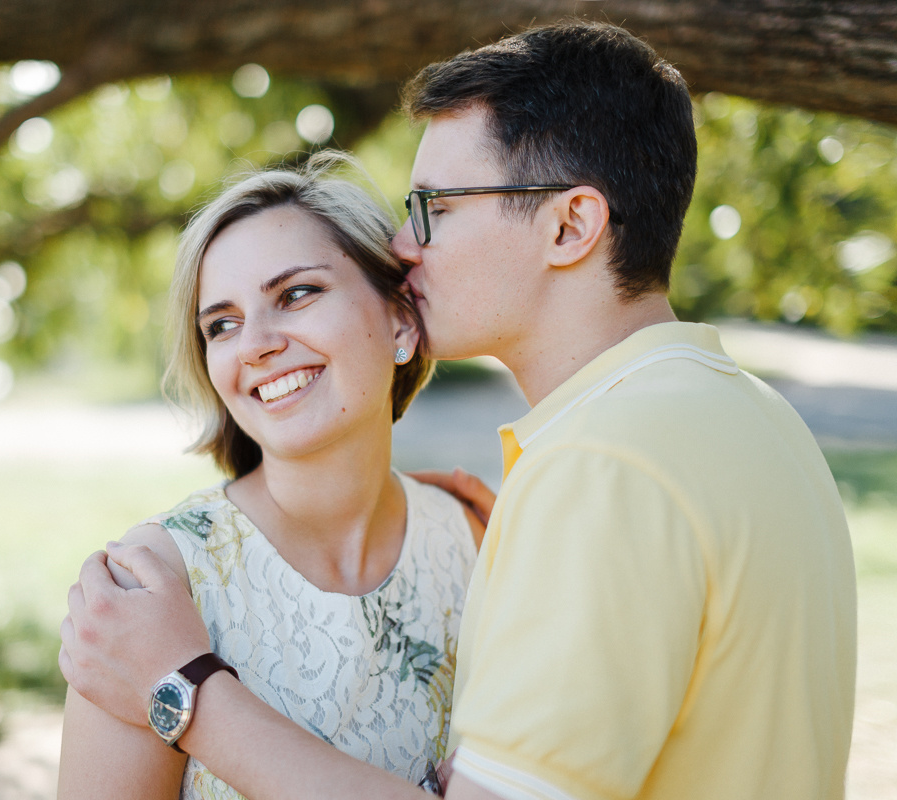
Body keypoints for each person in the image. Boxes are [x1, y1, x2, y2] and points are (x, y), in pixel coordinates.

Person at [60, 19, 857, 800]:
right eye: (220, 324)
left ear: (570, 224)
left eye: (435, 207)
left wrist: (187, 690)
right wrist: (536, 554)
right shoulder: (754, 417)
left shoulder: (597, 476)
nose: (405, 248)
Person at [57, 155, 481, 800]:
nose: (254, 344)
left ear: (400, 316)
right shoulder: (151, 585)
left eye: (296, 294)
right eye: (221, 325)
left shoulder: (475, 540)